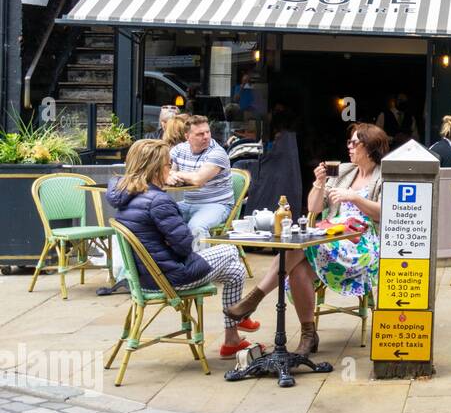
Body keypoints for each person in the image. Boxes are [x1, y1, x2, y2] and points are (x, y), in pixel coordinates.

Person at [232, 123, 388, 355]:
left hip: (362, 243)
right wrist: (319, 183)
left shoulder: (383, 176)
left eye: (354, 143)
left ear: (370, 146)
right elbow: (315, 207)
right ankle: (308, 335)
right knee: (298, 267)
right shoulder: (345, 171)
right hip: (333, 236)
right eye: (349, 142)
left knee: (300, 247)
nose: (349, 147)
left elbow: (386, 212)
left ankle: (255, 298)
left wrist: (354, 198)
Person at [108, 139, 257, 358]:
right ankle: (241, 315)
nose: (172, 168)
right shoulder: (158, 200)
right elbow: (185, 246)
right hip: (171, 278)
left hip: (144, 277)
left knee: (236, 271)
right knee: (230, 250)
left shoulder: (126, 196)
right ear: (156, 168)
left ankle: (232, 340)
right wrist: (175, 241)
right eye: (169, 164)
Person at [168, 114, 233, 250]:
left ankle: (202, 267)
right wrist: (170, 175)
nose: (206, 137)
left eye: (207, 132)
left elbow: (198, 180)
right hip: (188, 203)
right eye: (199, 134)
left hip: (216, 205)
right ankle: (167, 262)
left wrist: (176, 174)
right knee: (158, 216)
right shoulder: (180, 149)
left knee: (196, 226)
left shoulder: (217, 153)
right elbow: (165, 172)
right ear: (187, 136)